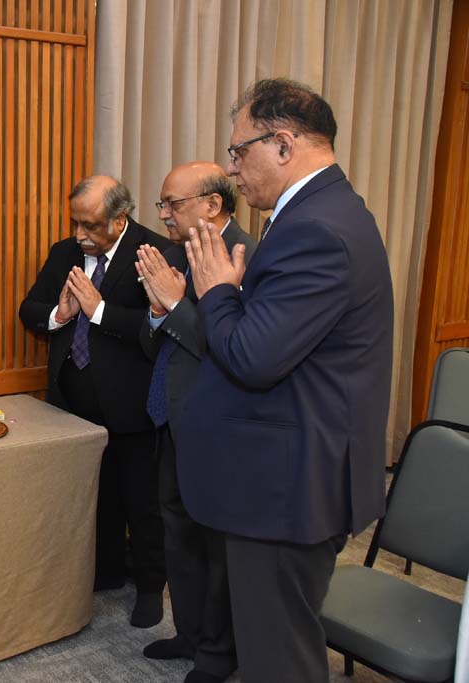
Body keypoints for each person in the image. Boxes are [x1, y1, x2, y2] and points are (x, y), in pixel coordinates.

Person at [175, 79, 393, 682]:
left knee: (280, 658)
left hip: (286, 485)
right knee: (271, 640)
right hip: (282, 473)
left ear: (283, 143)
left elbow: (253, 356)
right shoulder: (316, 212)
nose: (231, 168)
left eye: (238, 151)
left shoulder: (315, 228)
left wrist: (216, 292)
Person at [19, 175, 171, 627]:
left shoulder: (154, 253)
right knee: (95, 493)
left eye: (89, 225)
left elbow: (157, 328)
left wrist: (99, 311)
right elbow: (29, 309)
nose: (79, 234)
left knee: (141, 501)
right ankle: (105, 571)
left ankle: (150, 588)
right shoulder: (64, 253)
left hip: (130, 403)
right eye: (75, 223)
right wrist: (59, 313)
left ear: (119, 220)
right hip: (73, 401)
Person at [135, 162, 255, 683]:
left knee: (215, 543)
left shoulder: (245, 256)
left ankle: (217, 653)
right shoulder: (176, 254)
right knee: (177, 531)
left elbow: (235, 349)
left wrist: (174, 303)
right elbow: (151, 344)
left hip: (219, 423)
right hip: (172, 415)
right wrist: (158, 311)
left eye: (173, 204)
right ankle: (189, 632)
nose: (163, 214)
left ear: (212, 204)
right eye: (161, 204)